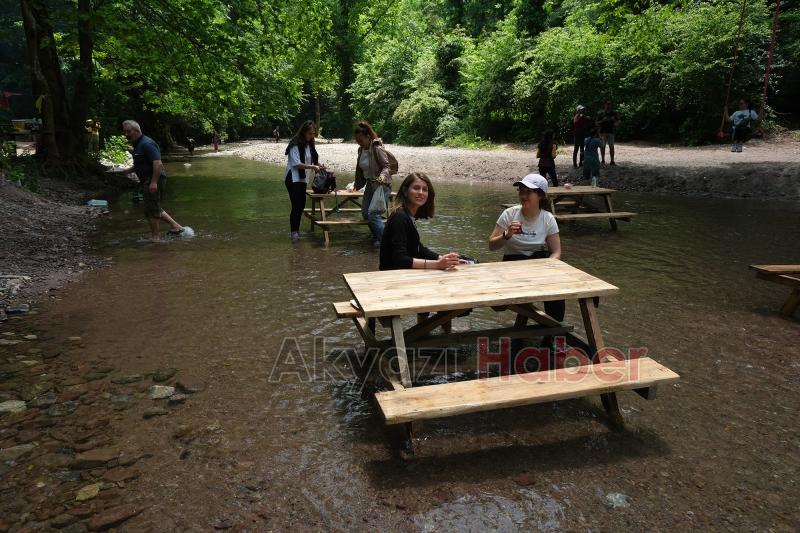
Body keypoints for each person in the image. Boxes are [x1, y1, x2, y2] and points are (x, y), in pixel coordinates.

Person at [488, 173, 564, 350]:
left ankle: (552, 333)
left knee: (557, 292)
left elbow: (556, 252)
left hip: (539, 263)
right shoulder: (509, 214)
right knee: (500, 305)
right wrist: (506, 235)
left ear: (540, 195)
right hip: (512, 262)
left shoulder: (547, 219)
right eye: (521, 191)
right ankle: (522, 332)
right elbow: (492, 246)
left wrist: (547, 268)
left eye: (528, 192)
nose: (523, 196)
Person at [379, 172, 460, 271]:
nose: (421, 192)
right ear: (405, 191)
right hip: (391, 279)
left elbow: (418, 248)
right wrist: (437, 264)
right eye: (416, 188)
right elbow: (399, 259)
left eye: (425, 189)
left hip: (402, 275)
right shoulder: (399, 217)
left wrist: (443, 258)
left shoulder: (407, 216)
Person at [120, 120, 185, 240]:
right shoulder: (137, 145)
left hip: (154, 179)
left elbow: (158, 163)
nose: (126, 134)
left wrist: (153, 182)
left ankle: (156, 238)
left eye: (128, 131)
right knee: (154, 207)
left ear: (137, 130)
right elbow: (141, 164)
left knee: (151, 210)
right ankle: (177, 227)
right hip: (149, 179)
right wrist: (128, 171)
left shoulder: (147, 143)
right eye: (124, 132)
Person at [354, 121, 393, 247]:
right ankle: (377, 236)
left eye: (360, 140)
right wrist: (356, 184)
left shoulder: (377, 147)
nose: (358, 142)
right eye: (357, 140)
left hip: (382, 186)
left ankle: (386, 243)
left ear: (368, 137)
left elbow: (387, 166)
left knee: (373, 214)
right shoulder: (361, 150)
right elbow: (360, 169)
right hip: (370, 185)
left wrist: (382, 177)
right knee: (366, 213)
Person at [284, 120, 324, 242]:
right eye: (310, 134)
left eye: (313, 134)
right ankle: (294, 232)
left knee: (301, 206)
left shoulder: (310, 145)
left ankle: (296, 230)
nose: (312, 136)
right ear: (304, 132)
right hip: (293, 178)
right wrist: (312, 167)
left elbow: (313, 160)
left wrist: (320, 166)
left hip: (302, 179)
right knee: (296, 205)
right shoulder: (294, 144)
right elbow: (296, 164)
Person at [596, 101, 618, 165]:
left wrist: (615, 122)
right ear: (604, 105)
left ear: (611, 105)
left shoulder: (614, 113)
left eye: (609, 104)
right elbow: (596, 123)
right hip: (602, 132)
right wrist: (602, 121)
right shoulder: (600, 113)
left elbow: (617, 122)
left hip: (611, 132)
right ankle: (603, 160)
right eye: (607, 104)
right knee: (602, 146)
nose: (608, 105)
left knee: (611, 147)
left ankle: (612, 161)